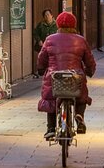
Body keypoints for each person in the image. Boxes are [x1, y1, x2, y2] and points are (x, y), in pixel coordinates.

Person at [37, 11, 96, 140]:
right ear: (74, 25)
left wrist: (41, 69)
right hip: (75, 77)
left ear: (58, 24)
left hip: (55, 77)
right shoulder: (80, 40)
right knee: (81, 96)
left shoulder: (50, 39)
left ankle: (51, 128)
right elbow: (89, 60)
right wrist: (90, 71)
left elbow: (42, 58)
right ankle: (79, 116)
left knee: (51, 99)